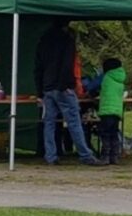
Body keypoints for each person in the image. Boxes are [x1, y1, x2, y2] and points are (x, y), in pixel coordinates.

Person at [35, 17, 103, 166]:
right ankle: (85, 155)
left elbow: (38, 67)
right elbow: (67, 64)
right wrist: (67, 85)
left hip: (47, 87)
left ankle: (50, 156)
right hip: (63, 87)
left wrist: (40, 91)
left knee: (49, 122)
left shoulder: (44, 40)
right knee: (74, 121)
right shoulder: (67, 40)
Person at [98, 58, 127, 165]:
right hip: (117, 110)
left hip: (106, 110)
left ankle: (105, 156)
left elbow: (95, 87)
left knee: (105, 133)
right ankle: (114, 156)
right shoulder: (120, 80)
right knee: (114, 133)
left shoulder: (106, 77)